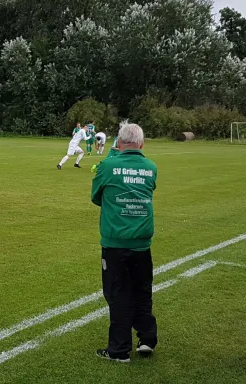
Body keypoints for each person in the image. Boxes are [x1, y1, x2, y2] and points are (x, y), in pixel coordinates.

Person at [91, 121, 158, 363]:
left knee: (117, 294)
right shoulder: (151, 167)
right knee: (142, 291)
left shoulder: (107, 166)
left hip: (115, 241)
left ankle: (119, 349)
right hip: (142, 241)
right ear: (141, 143)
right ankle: (147, 338)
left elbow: (96, 197)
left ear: (119, 143)